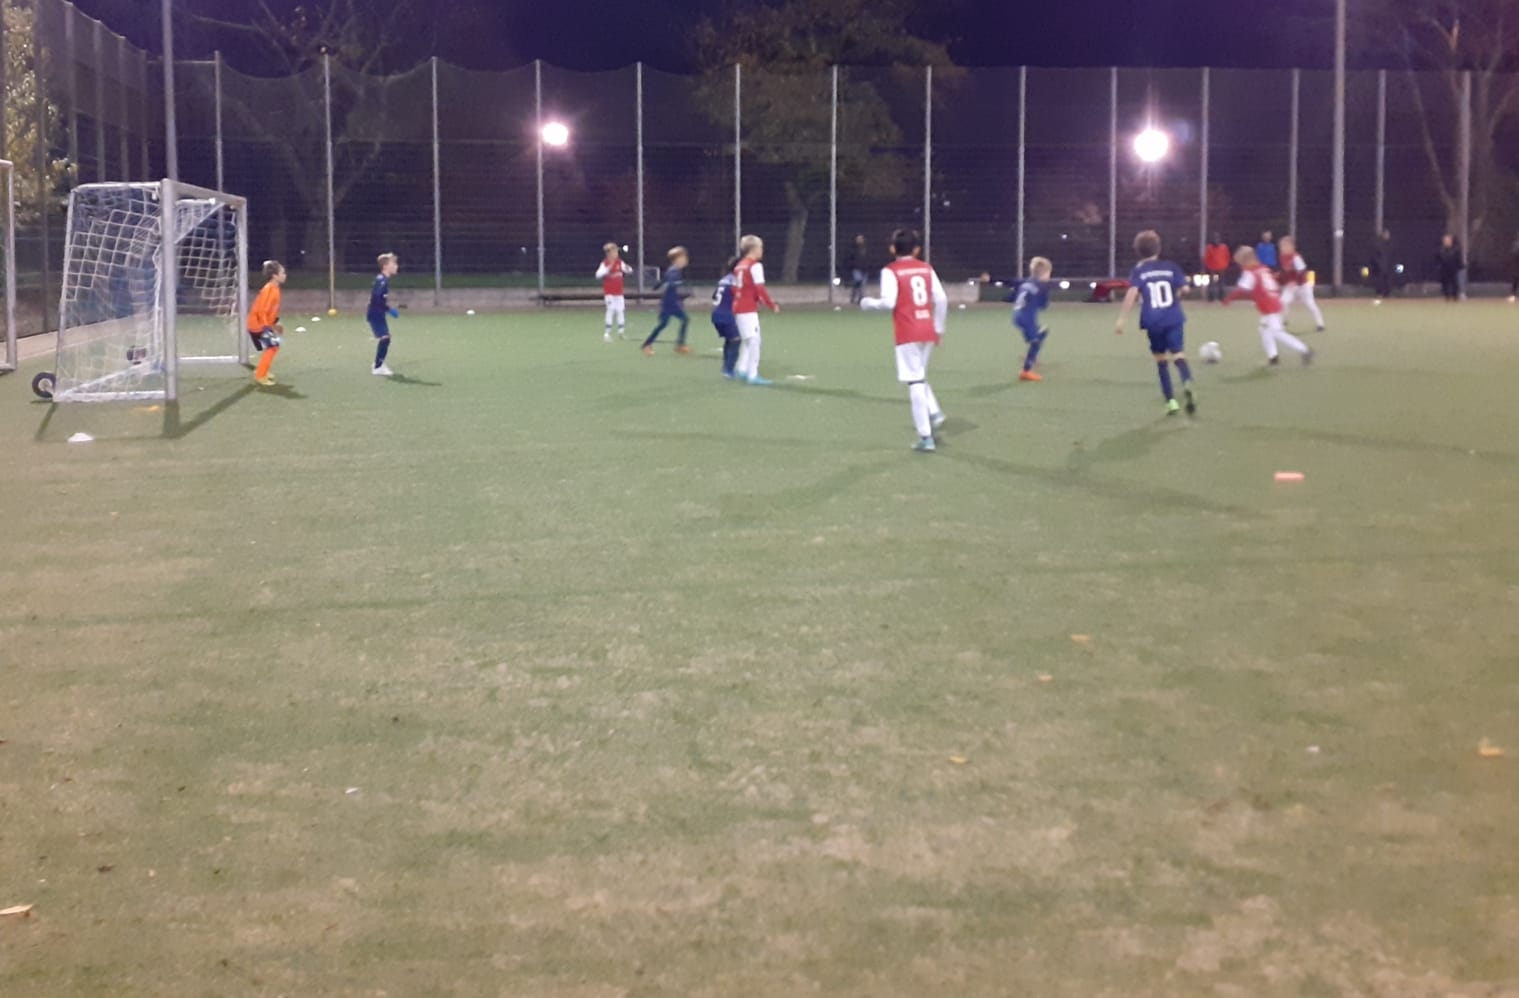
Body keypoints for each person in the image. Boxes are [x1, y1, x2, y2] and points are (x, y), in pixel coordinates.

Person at [860, 228, 948, 452]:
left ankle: (925, 437)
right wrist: (938, 328)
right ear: (916, 249)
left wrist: (868, 303)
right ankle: (935, 413)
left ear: (892, 249)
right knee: (919, 375)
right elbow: (941, 298)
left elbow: (888, 302)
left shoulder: (890, 271)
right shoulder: (926, 268)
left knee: (915, 381)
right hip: (927, 328)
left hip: (908, 331)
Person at [1114, 230, 1196, 417]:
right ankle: (1186, 382)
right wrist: (1178, 293)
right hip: (1173, 317)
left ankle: (1171, 402)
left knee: (1161, 360)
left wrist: (1122, 319)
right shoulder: (1171, 267)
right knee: (1178, 353)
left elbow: (1132, 294)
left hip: (1153, 320)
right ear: (1158, 248)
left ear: (1137, 251)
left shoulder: (1139, 271)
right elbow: (1185, 289)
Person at [1227, 246, 1314, 366]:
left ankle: (1305, 350)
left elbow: (1241, 289)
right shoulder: (1263, 268)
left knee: (1276, 332)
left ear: (1245, 260)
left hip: (1269, 306)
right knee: (1264, 330)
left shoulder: (1250, 272)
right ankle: (1273, 357)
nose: (1240, 265)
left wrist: (1228, 299)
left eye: (1240, 262)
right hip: (1273, 302)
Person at [732, 235, 780, 385]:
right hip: (747, 308)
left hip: (738, 306)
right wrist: (771, 305)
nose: (762, 251)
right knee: (754, 340)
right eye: (760, 247)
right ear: (754, 249)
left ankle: (741, 368)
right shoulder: (755, 266)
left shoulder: (739, 265)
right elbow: (760, 289)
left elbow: (737, 288)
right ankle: (752, 374)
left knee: (748, 339)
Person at [642, 246, 692, 356]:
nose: (685, 260)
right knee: (669, 323)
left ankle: (679, 345)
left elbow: (663, 281)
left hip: (671, 302)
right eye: (683, 257)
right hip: (669, 303)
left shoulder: (673, 270)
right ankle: (648, 345)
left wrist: (657, 286)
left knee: (670, 322)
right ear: (677, 259)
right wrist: (674, 284)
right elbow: (670, 283)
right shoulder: (674, 271)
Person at [1010, 257, 1052, 382]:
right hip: (1027, 319)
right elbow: (1043, 306)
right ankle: (1026, 371)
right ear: (1045, 273)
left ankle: (1031, 356)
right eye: (1049, 273)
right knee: (1036, 342)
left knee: (1043, 331)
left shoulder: (1026, 283)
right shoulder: (1042, 287)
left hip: (1017, 316)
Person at [246, 259, 286, 387]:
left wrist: (276, 323)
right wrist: (266, 328)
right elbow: (262, 311)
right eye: (282, 273)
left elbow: (270, 311)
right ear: (275, 275)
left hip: (261, 324)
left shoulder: (274, 288)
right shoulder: (269, 289)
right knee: (273, 347)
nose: (285, 275)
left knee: (273, 347)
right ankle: (260, 375)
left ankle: (262, 371)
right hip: (257, 324)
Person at [1276, 235, 1325, 332]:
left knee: (1310, 304)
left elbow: (1302, 271)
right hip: (1291, 285)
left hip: (1303, 285)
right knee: (1283, 302)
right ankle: (1283, 321)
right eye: (1281, 246)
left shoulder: (1296, 257)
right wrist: (1279, 278)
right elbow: (1285, 272)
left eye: (1285, 245)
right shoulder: (1282, 257)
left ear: (1292, 246)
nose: (1282, 248)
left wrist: (1295, 281)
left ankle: (1320, 324)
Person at [368, 252, 400, 377]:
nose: (396, 266)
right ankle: (378, 367)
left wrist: (386, 309)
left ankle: (378, 364)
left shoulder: (383, 279)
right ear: (386, 266)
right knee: (385, 338)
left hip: (378, 313)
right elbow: (376, 300)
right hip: (375, 313)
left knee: (386, 337)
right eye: (394, 263)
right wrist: (389, 309)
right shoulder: (382, 281)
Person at [596, 243, 633, 341]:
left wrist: (628, 269)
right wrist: (608, 269)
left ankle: (621, 332)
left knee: (620, 310)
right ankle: (607, 333)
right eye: (614, 252)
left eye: (616, 252)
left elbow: (629, 270)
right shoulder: (605, 263)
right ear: (609, 253)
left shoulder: (620, 262)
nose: (616, 254)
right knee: (610, 310)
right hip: (609, 292)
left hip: (619, 292)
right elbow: (598, 274)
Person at [712, 258, 741, 379]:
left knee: (729, 340)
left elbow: (714, 296)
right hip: (726, 315)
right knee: (736, 340)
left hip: (715, 314)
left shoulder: (724, 279)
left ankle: (725, 367)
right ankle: (729, 371)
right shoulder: (736, 281)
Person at [1203, 233, 1231, 303]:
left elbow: (1206, 258)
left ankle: (1213, 298)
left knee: (1215, 283)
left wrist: (1208, 265)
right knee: (1218, 283)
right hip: (1217, 267)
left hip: (1217, 267)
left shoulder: (1213, 247)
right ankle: (1219, 297)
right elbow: (1227, 257)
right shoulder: (1222, 247)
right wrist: (1225, 265)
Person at [1436, 234, 1463, 302]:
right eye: (1445, 241)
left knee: (1455, 283)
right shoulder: (1440, 250)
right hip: (1444, 269)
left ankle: (1455, 296)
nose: (1447, 242)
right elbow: (1438, 259)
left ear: (1451, 241)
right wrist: (1439, 267)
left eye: (1448, 240)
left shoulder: (1456, 250)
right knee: (1445, 283)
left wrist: (1459, 266)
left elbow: (1458, 259)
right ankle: (1447, 296)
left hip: (1453, 269)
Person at [1371, 230, 1394, 300]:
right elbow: (1375, 255)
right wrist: (1378, 264)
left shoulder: (1390, 244)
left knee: (1388, 280)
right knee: (1380, 281)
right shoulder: (1378, 244)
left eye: (1388, 234)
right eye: (1386, 234)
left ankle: (1388, 294)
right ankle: (1379, 294)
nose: (1387, 236)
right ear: (1383, 235)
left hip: (1388, 266)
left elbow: (1392, 256)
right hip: (1380, 266)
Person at [849, 235, 868, 306]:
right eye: (858, 239)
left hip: (865, 269)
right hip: (856, 268)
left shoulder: (866, 249)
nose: (860, 240)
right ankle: (857, 297)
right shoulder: (853, 249)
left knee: (861, 285)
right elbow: (850, 258)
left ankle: (858, 298)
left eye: (861, 239)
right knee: (858, 281)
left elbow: (869, 259)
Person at [1509, 232, 1519, 302]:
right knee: (1515, 280)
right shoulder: (1516, 244)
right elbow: (1514, 253)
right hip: (1517, 266)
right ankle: (1513, 295)